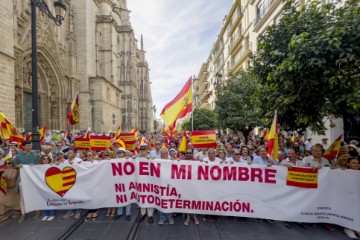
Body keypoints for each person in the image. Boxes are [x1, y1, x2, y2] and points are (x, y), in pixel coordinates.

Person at [13, 140, 41, 223]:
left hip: (34, 178)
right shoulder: (18, 156)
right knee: (23, 197)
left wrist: (39, 158)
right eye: (28, 146)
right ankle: (23, 214)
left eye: (30, 145)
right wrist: (19, 165)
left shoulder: (36, 153)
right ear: (24, 147)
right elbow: (15, 165)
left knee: (35, 195)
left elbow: (40, 163)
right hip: (23, 178)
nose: (30, 147)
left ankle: (37, 211)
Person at [136, 144, 155, 224]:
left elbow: (156, 163)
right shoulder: (137, 157)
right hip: (141, 181)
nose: (142, 150)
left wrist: (151, 159)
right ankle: (143, 214)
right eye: (141, 149)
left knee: (149, 197)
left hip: (149, 181)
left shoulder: (151, 156)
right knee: (142, 197)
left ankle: (150, 215)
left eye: (144, 149)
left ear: (147, 150)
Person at [63, 149, 82, 220]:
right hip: (68, 182)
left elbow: (81, 167)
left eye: (70, 153)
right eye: (68, 153)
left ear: (74, 154)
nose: (68, 154)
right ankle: (70, 211)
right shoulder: (65, 161)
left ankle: (78, 212)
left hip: (77, 182)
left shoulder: (78, 160)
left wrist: (74, 164)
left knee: (76, 197)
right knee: (69, 197)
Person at [343, 157, 360, 239]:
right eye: (353, 163)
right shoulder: (343, 172)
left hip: (357, 196)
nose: (356, 164)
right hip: (347, 196)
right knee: (349, 211)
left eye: (357, 163)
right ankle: (348, 228)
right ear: (348, 164)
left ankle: (356, 228)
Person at [158, 148, 175, 225]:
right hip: (160, 185)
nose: (164, 154)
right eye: (162, 153)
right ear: (160, 154)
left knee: (169, 201)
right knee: (161, 201)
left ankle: (169, 216)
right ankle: (162, 217)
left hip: (169, 185)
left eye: (165, 153)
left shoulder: (171, 160)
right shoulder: (156, 161)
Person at [114, 148, 131, 221]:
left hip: (127, 182)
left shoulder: (128, 160)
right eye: (118, 153)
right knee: (119, 197)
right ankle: (119, 213)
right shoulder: (114, 160)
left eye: (120, 152)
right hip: (118, 182)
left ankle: (128, 213)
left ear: (124, 153)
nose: (119, 154)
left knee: (127, 197)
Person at [39, 155, 57, 221]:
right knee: (44, 200)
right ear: (41, 160)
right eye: (44, 159)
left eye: (47, 159)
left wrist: (55, 164)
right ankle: (46, 214)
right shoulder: (38, 167)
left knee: (51, 200)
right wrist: (31, 166)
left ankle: (53, 214)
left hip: (50, 186)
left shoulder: (51, 165)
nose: (46, 160)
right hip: (42, 186)